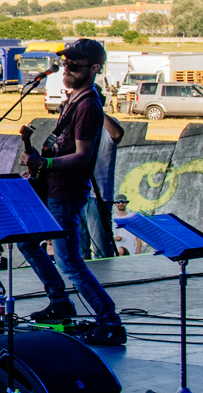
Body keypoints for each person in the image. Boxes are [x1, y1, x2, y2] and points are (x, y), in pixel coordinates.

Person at [19, 38, 125, 345]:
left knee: (69, 261)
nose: (66, 68)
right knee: (26, 242)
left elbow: (82, 156)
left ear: (94, 69)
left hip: (65, 192)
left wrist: (47, 161)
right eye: (65, 63)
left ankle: (109, 320)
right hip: (52, 186)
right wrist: (38, 164)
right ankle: (60, 302)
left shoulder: (89, 105)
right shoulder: (74, 100)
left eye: (74, 65)